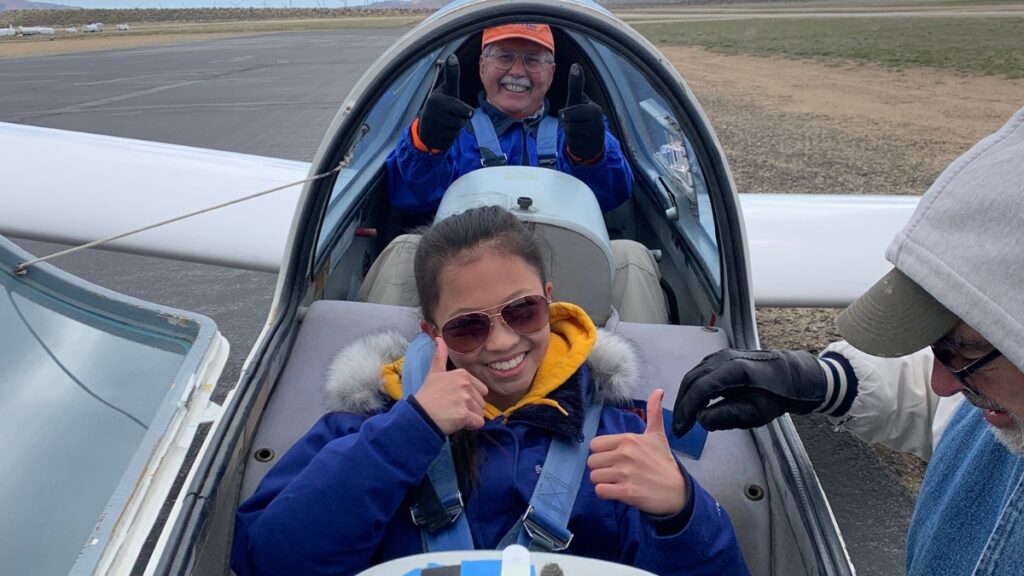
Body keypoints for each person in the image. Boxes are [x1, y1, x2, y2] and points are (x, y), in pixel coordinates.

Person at [232, 206, 748, 575]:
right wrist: (407, 432)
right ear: (431, 335)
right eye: (467, 327)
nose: (502, 341)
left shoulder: (621, 440)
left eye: (522, 311)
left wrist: (680, 512)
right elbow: (268, 559)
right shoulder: (368, 427)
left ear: (549, 300)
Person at [672, 107, 1024, 575]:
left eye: (966, 351)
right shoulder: (1004, 396)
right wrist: (825, 381)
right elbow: (949, 413)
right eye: (940, 349)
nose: (943, 381)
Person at [360, 23, 668, 324]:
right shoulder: (449, 127)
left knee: (632, 257)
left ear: (550, 73)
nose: (517, 72)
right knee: (404, 250)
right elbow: (407, 195)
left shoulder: (577, 129)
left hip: (566, 277)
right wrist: (427, 145)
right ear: (482, 67)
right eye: (505, 56)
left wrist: (589, 156)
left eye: (533, 60)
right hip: (464, 272)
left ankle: (645, 375)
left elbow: (614, 193)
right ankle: (385, 371)